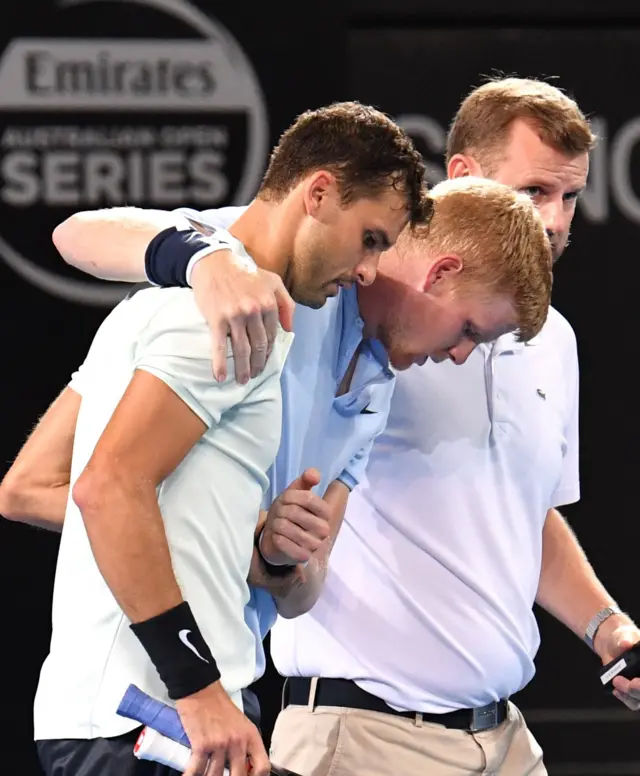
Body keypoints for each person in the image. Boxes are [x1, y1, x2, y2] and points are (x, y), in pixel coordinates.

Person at [1, 143, 553, 772]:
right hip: (140, 702)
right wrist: (205, 261)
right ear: (441, 273)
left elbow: (299, 589)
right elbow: (77, 235)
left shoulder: (377, 390)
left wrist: (274, 557)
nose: (460, 357)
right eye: (470, 333)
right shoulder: (266, 279)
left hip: (216, 694)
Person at [261, 79, 640, 776]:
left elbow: (524, 517)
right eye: (532, 193)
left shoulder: (552, 340)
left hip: (504, 740)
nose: (554, 221)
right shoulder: (361, 302)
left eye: (570, 197)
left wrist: (605, 626)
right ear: (462, 177)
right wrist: (196, 259)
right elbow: (183, 234)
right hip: (365, 736)